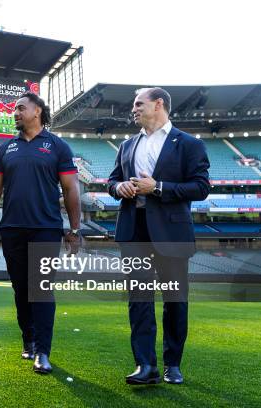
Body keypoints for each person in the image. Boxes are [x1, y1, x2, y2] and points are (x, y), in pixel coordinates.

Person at [107, 87, 210, 385]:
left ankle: (173, 363)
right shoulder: (126, 145)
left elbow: (201, 187)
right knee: (138, 299)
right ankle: (145, 365)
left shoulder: (189, 144)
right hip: (133, 229)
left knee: (175, 300)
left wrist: (159, 187)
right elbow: (112, 182)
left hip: (172, 232)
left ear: (158, 104)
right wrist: (119, 188)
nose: (134, 109)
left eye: (139, 103)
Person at [0, 91, 82, 374]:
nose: (16, 113)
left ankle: (43, 351)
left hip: (46, 229)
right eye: (15, 109)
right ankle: (29, 340)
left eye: (21, 108)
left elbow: (71, 189)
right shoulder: (5, 149)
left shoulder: (58, 147)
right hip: (12, 229)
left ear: (38, 111)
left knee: (42, 289)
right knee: (21, 289)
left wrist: (74, 229)